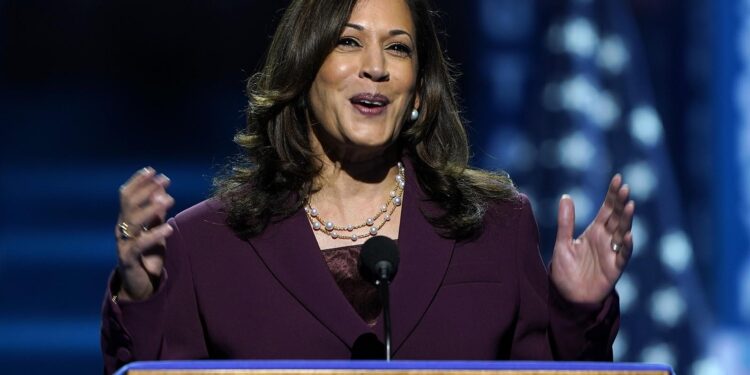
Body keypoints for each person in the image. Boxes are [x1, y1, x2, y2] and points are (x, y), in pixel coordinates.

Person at [101, 0, 635, 373]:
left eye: (398, 48)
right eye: (349, 42)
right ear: (303, 69)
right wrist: (141, 296)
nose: (376, 68)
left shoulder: (495, 228)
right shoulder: (205, 244)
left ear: (418, 91)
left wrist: (576, 310)